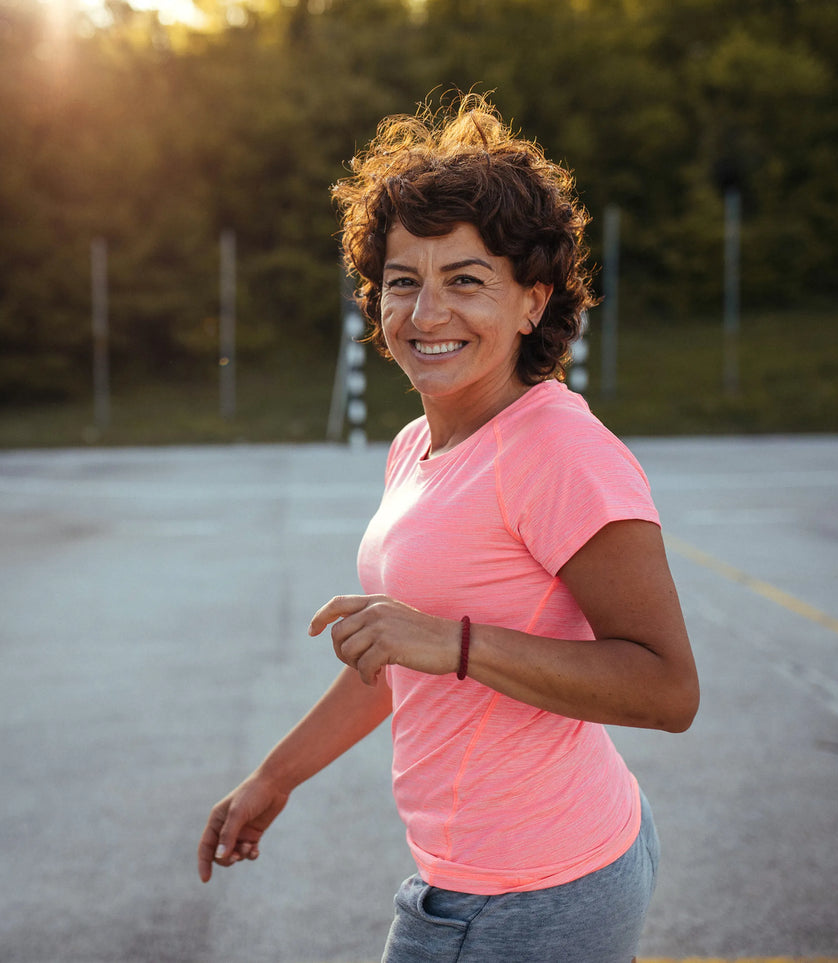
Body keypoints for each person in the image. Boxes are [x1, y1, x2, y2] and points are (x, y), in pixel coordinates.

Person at [197, 94, 699, 962]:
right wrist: (274, 776)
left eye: (464, 280)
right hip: (489, 872)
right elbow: (401, 654)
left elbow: (665, 689)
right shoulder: (415, 444)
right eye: (403, 281)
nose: (425, 314)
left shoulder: (559, 451)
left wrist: (453, 642)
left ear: (531, 303)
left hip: (529, 892)